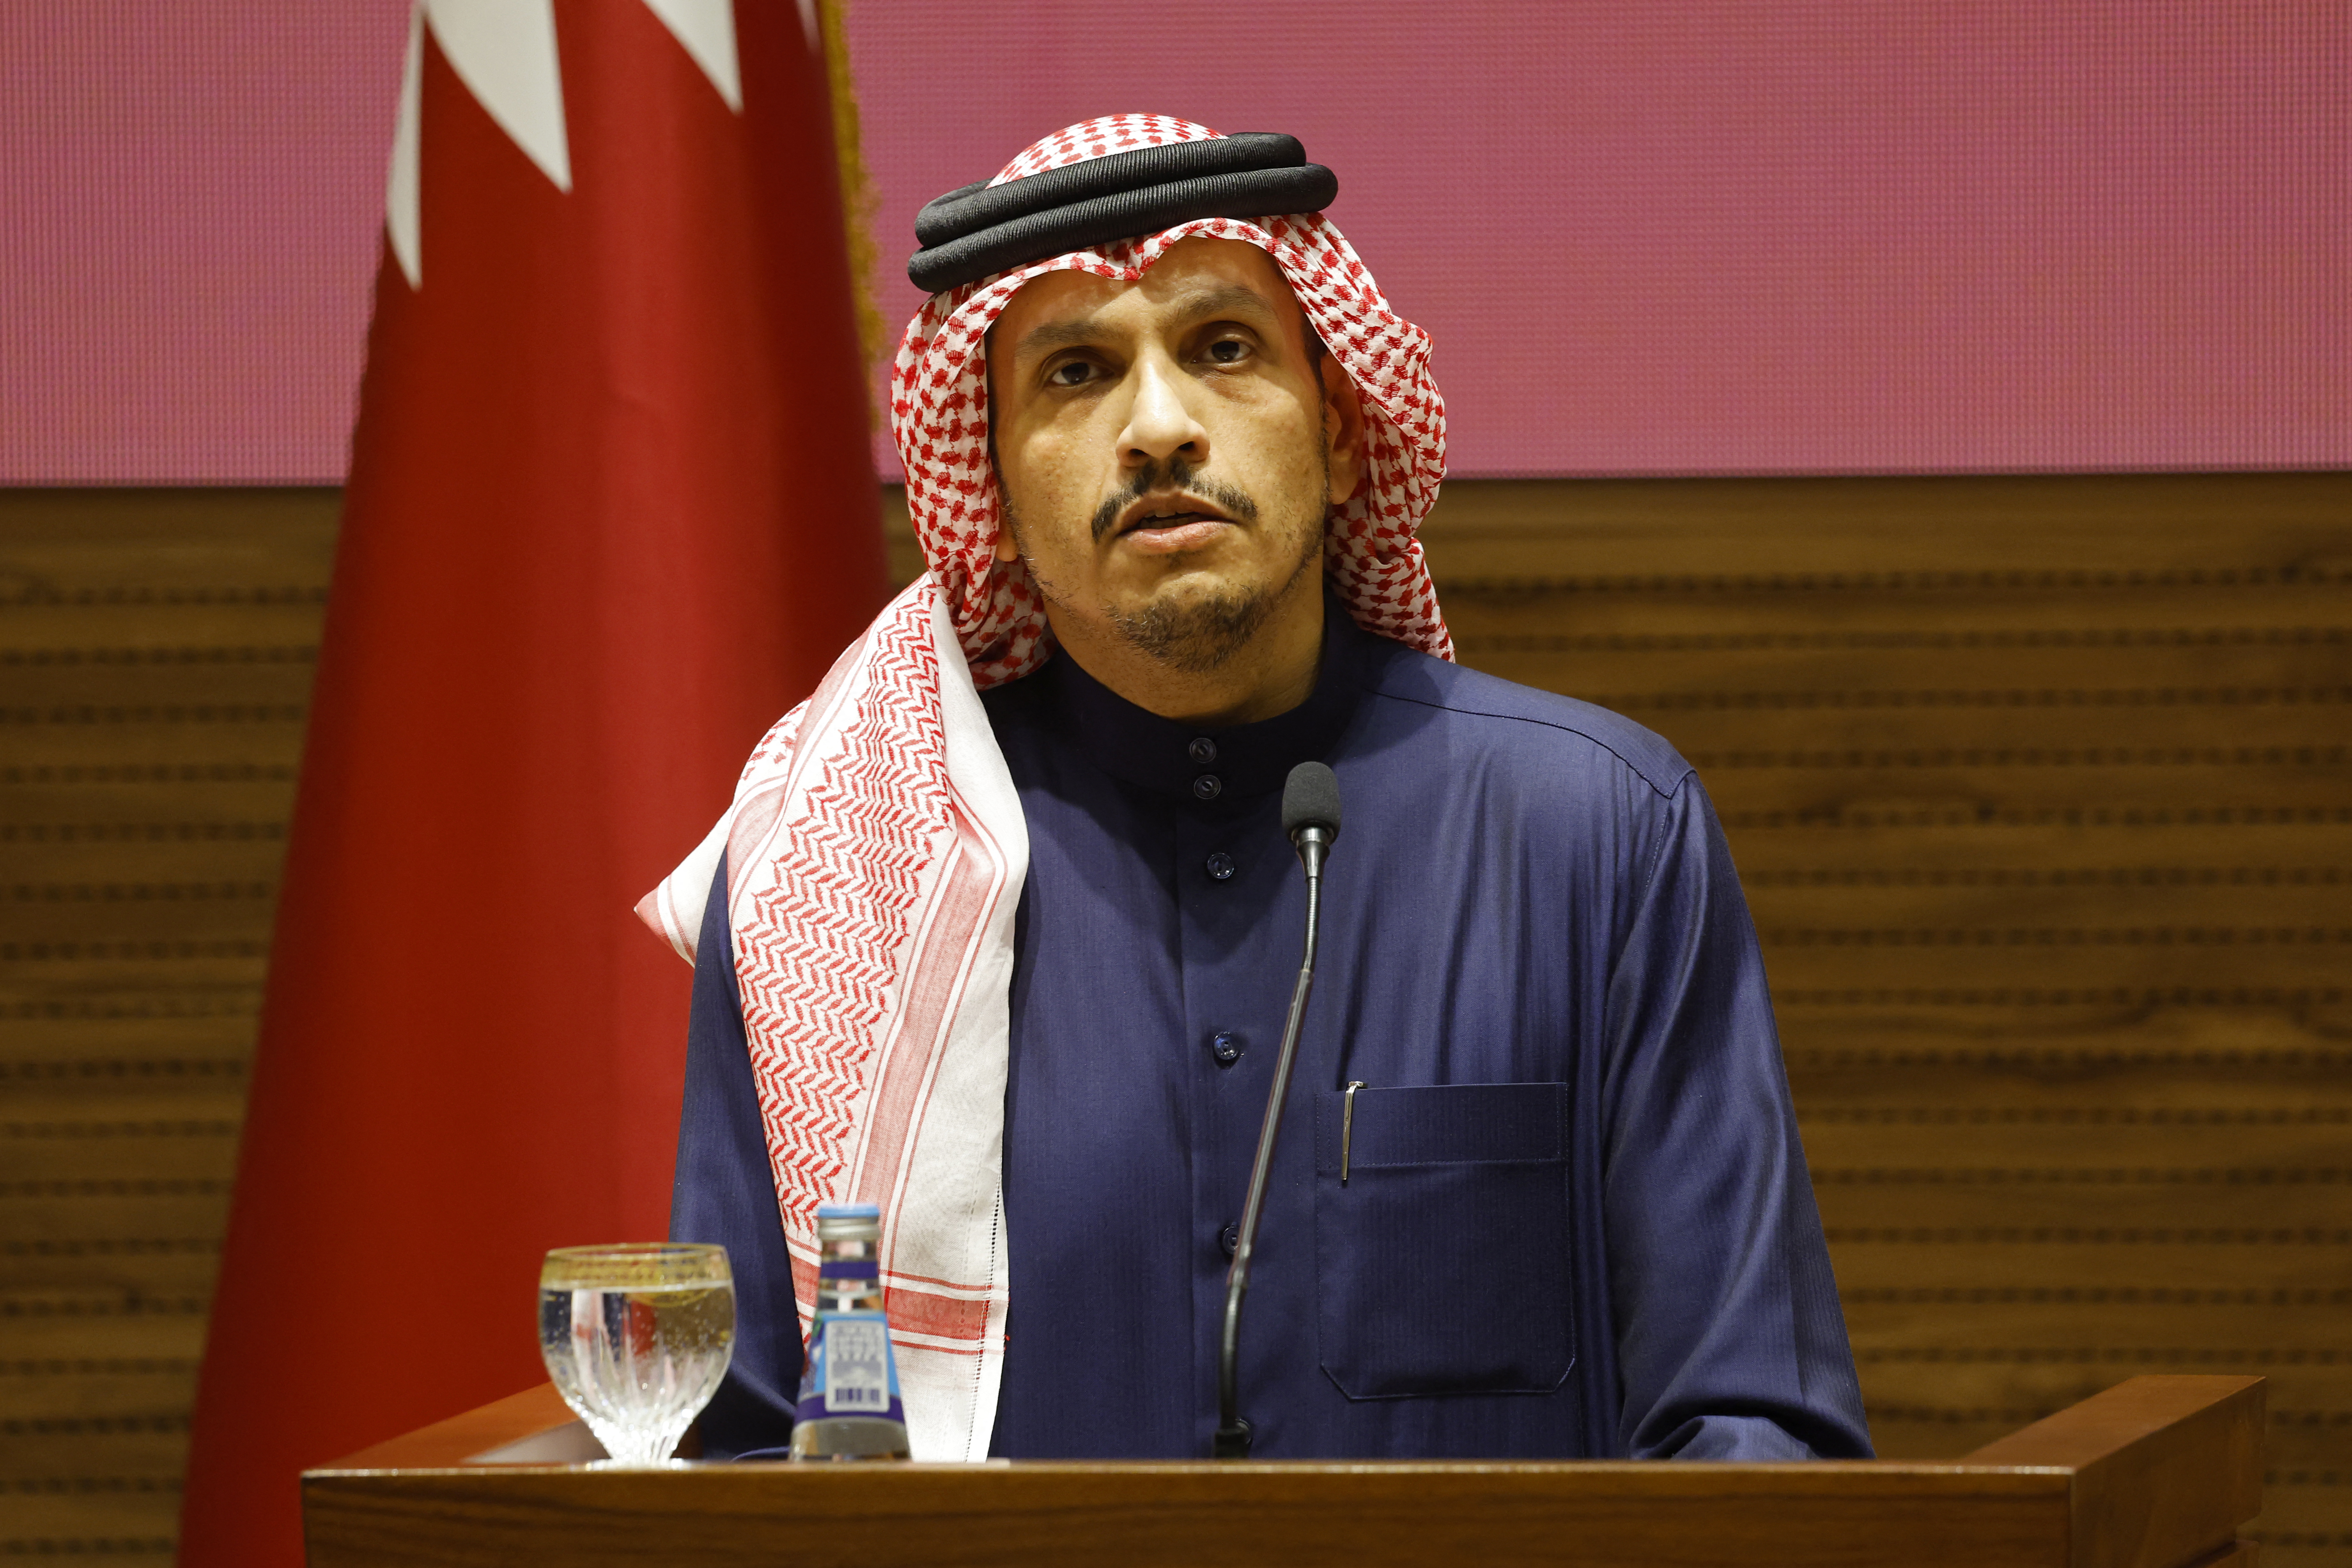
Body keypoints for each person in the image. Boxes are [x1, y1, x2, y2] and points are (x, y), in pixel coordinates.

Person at [640, 115, 1871, 1464]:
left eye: (1222, 350)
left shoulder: (1598, 837)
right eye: (1076, 372)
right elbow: (742, 1463)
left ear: (1343, 436)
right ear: (985, 483)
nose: (1160, 427)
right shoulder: (837, 883)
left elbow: (1751, 1431)